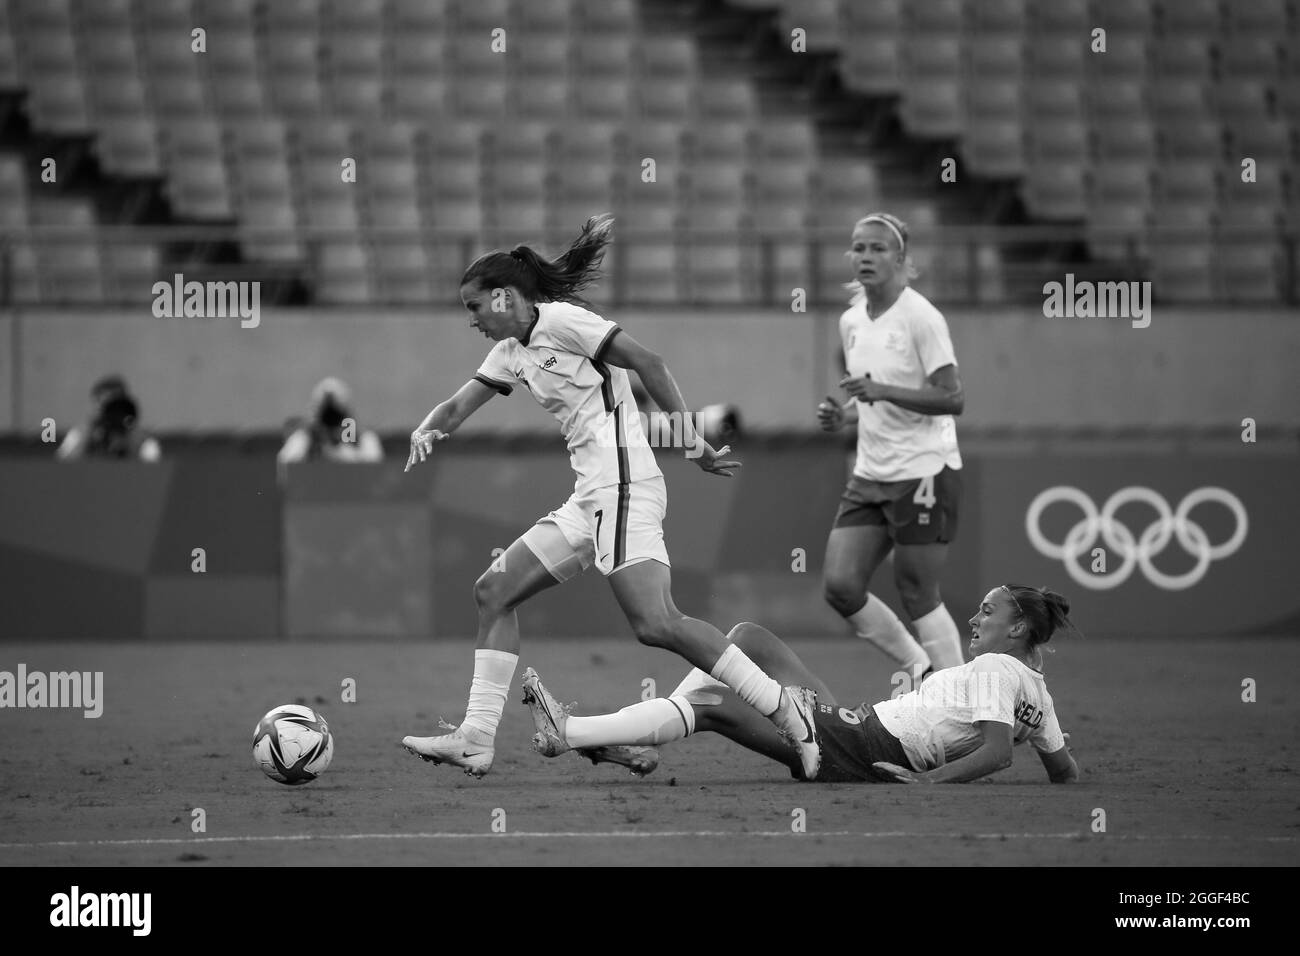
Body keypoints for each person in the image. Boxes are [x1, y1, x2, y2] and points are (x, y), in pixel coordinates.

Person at [400, 215, 820, 779]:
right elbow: (454, 408)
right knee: (495, 590)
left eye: (473, 306)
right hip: (591, 495)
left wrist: (693, 442)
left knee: (656, 622)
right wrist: (427, 428)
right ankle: (476, 736)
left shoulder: (566, 322)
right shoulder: (509, 352)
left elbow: (651, 362)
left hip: (623, 483)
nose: (469, 318)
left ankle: (788, 714)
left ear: (502, 296)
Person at [522, 584, 1080, 785]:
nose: (974, 621)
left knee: (714, 704)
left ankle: (570, 732)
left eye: (987, 613)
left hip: (866, 749)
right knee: (747, 639)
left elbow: (998, 752)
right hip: (863, 728)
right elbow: (1064, 771)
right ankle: (631, 739)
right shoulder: (1038, 691)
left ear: (1020, 628)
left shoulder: (992, 670)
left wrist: (932, 784)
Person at [816, 212, 965, 682]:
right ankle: (920, 668)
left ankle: (964, 697)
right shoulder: (850, 321)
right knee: (840, 586)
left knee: (917, 588)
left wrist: (883, 392)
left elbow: (952, 398)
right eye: (858, 247)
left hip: (924, 469)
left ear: (901, 258)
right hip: (870, 473)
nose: (865, 256)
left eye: (878, 248)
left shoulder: (921, 317)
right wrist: (845, 415)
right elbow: (869, 396)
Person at [277, 377, 384, 471]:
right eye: (326, 416)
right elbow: (286, 468)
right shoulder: (305, 438)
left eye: (336, 416)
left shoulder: (363, 437)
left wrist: (347, 454)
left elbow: (375, 469)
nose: (331, 422)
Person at [55, 374, 161, 462]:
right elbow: (62, 467)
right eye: (101, 403)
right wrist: (87, 437)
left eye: (114, 404)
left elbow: (153, 470)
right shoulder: (80, 433)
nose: (110, 411)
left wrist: (132, 442)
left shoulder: (143, 439)